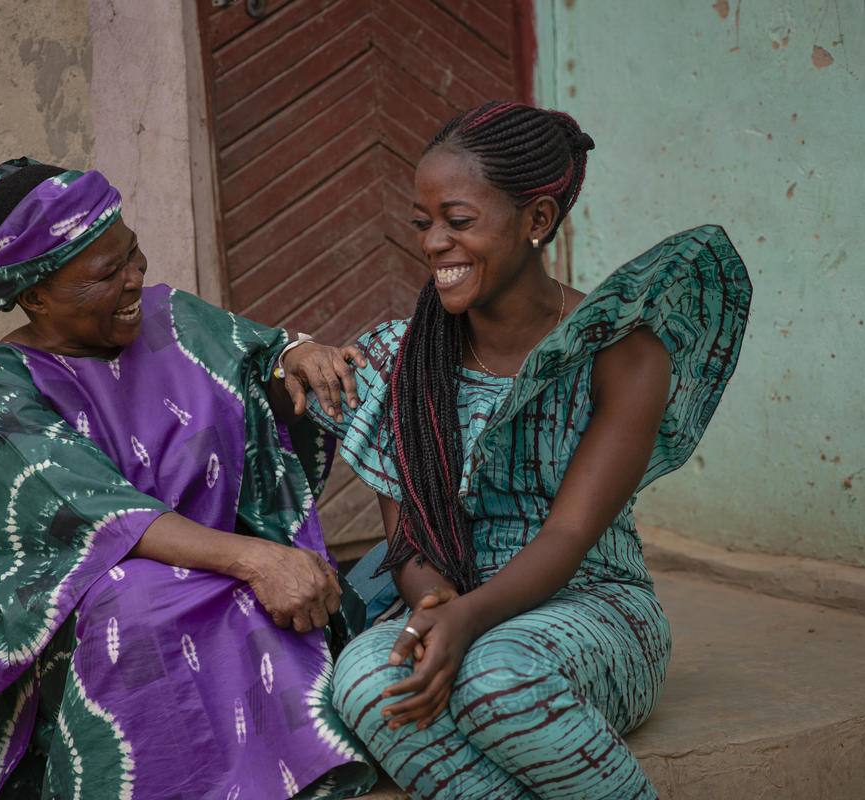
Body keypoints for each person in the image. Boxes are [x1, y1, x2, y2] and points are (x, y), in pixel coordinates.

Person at [304, 102, 752, 799]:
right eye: (425, 224)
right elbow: (409, 534)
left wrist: (467, 621)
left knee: (496, 678)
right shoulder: (400, 358)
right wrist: (432, 613)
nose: (433, 244)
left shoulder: (621, 354)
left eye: (459, 221)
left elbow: (571, 533)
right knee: (365, 679)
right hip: (448, 595)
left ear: (536, 221)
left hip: (594, 605)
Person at [0, 158, 379, 799]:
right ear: (35, 296)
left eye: (133, 255)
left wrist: (300, 355)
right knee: (135, 604)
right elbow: (100, 515)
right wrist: (257, 560)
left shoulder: (175, 319)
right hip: (97, 608)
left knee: (240, 599)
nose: (136, 279)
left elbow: (260, 358)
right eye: (108, 274)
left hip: (230, 565)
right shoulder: (4, 385)